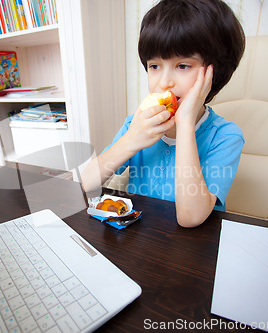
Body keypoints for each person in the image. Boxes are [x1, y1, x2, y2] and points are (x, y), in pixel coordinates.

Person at [81, 0, 245, 227]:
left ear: (213, 73)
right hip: (139, 241)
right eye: (155, 66)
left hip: (192, 250)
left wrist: (185, 123)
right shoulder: (137, 124)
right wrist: (131, 140)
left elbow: (190, 218)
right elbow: (87, 182)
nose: (164, 82)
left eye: (183, 66)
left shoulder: (226, 137)